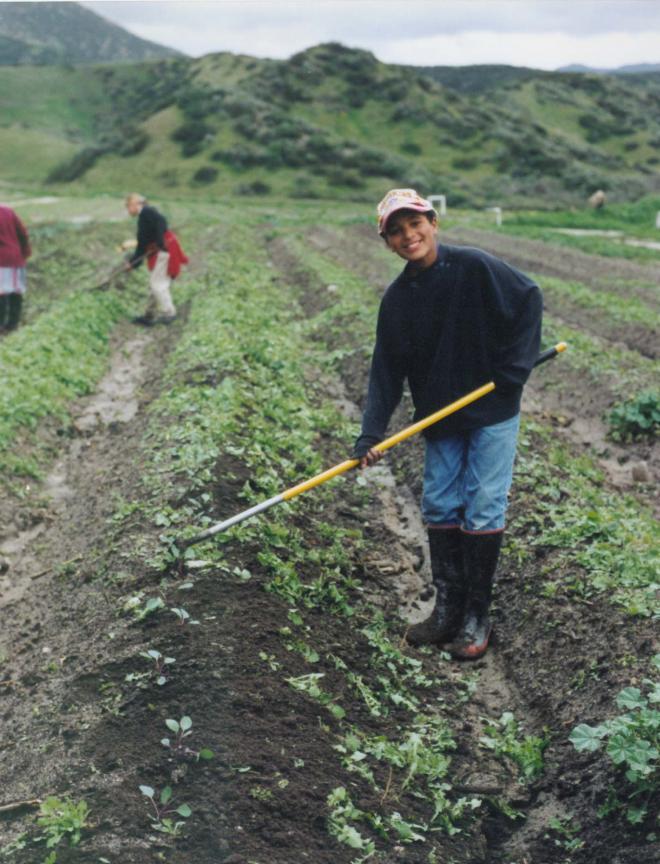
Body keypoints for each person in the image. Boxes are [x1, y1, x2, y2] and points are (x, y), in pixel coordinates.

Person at [354, 189, 543, 660]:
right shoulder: (397, 300)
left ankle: (477, 615)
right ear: (387, 243)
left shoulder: (474, 267)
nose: (408, 236)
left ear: (432, 222)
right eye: (395, 231)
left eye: (414, 224)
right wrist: (369, 435)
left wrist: (513, 374)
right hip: (441, 414)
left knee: (482, 506)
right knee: (440, 502)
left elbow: (529, 298)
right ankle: (447, 611)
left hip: (492, 408)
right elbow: (386, 373)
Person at [124, 193, 185, 326]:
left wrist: (159, 242)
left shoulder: (147, 212)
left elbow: (161, 221)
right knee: (155, 284)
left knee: (158, 284)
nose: (128, 210)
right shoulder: (144, 216)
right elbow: (142, 245)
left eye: (128, 206)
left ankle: (170, 313)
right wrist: (133, 263)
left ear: (135, 204)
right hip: (161, 248)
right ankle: (149, 315)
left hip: (164, 249)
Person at [0, 203, 31, 333]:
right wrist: (25, 252)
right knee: (15, 291)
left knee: (1, 293)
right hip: (15, 257)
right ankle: (12, 325)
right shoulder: (8, 211)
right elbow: (22, 233)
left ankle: (2, 324)